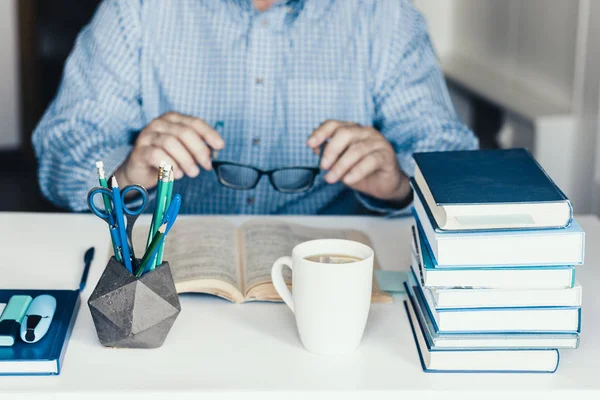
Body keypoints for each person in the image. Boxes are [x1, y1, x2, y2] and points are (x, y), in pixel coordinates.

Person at [33, 0, 478, 215]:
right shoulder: (138, 9)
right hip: (164, 267)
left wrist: (398, 182)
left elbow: (451, 156)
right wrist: (125, 174)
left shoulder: (385, 16)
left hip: (340, 271)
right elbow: (64, 143)